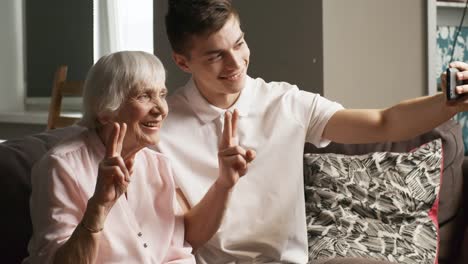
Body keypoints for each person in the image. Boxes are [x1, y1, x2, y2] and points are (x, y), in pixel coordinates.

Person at [155, 0, 468, 263]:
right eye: (215, 55)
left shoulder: (285, 103)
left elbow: (384, 122)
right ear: (183, 62)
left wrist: (449, 102)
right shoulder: (162, 131)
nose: (235, 62)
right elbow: (186, 238)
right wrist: (224, 184)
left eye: (238, 44)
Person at [24, 51, 255, 263]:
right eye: (144, 96)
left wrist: (224, 184)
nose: (161, 109)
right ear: (105, 111)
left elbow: (186, 237)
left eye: (161, 94)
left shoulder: (157, 163)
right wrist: (99, 207)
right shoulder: (61, 167)